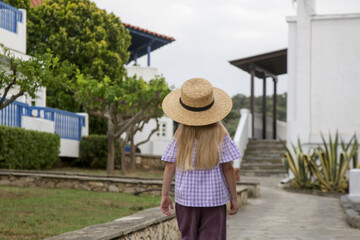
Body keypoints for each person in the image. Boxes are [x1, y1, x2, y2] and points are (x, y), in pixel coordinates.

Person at [160, 78, 241, 240]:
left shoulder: (180, 135)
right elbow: (227, 168)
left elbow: (170, 166)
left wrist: (165, 195)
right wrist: (233, 196)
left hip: (186, 200)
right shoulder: (221, 134)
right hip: (215, 199)